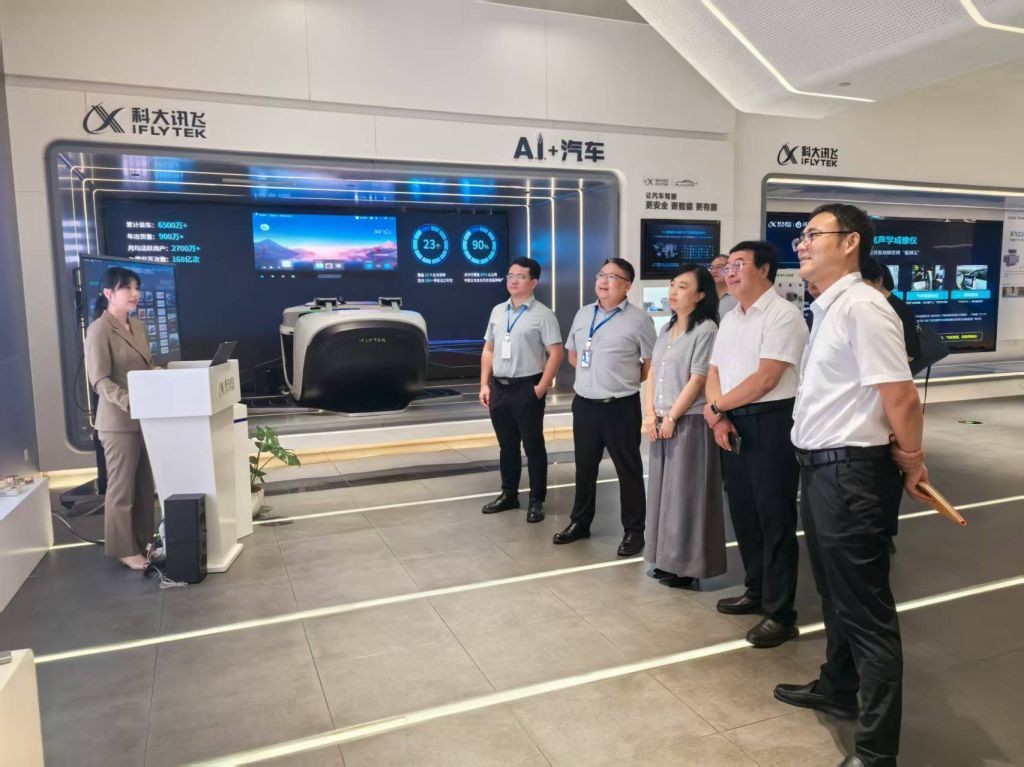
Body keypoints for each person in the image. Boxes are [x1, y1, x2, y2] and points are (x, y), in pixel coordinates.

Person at [774, 203, 930, 767]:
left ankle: (876, 751)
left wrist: (912, 459)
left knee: (867, 614)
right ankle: (838, 687)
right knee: (836, 594)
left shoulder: (864, 307)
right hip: (822, 471)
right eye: (802, 234)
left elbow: (901, 397)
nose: (801, 243)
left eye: (814, 234)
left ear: (850, 243)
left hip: (851, 475)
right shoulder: (831, 307)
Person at [703, 241, 808, 648]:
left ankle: (781, 614)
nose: (728, 273)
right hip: (731, 419)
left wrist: (717, 407)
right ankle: (757, 589)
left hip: (771, 421)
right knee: (744, 513)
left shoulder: (784, 315)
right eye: (727, 266)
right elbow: (715, 370)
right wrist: (719, 415)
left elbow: (767, 379)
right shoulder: (731, 316)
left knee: (774, 517)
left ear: (764, 269)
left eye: (738, 265)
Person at [554, 257, 656, 556]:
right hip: (585, 405)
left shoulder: (639, 320)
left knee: (628, 470)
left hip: (620, 406)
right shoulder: (584, 313)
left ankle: (634, 531)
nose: (603, 280)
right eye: (601, 274)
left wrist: (622, 379)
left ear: (627, 285)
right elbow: (573, 353)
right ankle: (580, 522)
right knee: (585, 467)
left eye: (612, 277)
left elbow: (650, 363)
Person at [643, 264, 725, 589]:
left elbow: (699, 378)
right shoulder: (666, 329)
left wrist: (673, 416)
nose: (673, 291)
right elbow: (652, 372)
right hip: (661, 421)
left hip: (688, 421)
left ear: (701, 295)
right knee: (662, 494)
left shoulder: (706, 330)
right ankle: (666, 559)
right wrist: (650, 413)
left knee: (686, 496)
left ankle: (687, 566)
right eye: (672, 284)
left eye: (683, 286)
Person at [84, 266, 157, 571]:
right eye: (127, 288)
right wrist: (131, 401)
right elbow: (100, 381)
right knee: (122, 489)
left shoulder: (137, 326)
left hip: (144, 418)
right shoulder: (99, 329)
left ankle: (144, 543)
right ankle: (125, 549)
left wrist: (157, 376)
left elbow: (144, 367)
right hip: (118, 422)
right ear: (108, 293)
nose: (134, 293)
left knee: (144, 486)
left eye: (136, 287)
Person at [479, 258, 564, 522]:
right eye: (510, 275)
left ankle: (537, 500)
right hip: (499, 387)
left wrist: (540, 388)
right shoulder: (497, 311)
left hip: (527, 387)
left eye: (520, 276)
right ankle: (509, 494)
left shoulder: (543, 314)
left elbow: (556, 353)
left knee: (533, 445)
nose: (513, 280)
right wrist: (484, 383)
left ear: (534, 282)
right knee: (507, 446)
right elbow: (489, 349)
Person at [861, 257, 921, 365]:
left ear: (879, 280)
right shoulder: (866, 305)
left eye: (862, 286)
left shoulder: (902, 310)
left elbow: (911, 354)